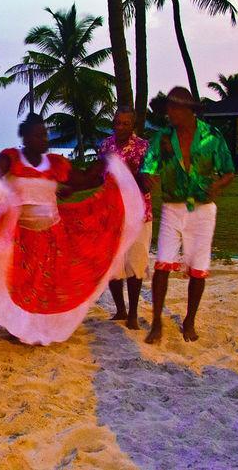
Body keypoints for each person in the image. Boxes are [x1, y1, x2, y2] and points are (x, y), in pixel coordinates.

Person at [0, 113, 145, 345]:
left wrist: (106, 164)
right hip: (20, 236)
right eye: (39, 135)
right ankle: (18, 329)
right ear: (25, 138)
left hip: (51, 235)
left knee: (44, 288)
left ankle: (38, 329)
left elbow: (82, 181)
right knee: (20, 285)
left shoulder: (55, 163)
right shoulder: (12, 158)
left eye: (45, 134)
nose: (44, 139)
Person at [140, 87, 235, 344]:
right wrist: (149, 176)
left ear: (188, 110)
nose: (169, 113)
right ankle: (157, 321)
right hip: (173, 207)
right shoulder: (162, 138)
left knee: (199, 268)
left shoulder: (211, 136)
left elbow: (228, 171)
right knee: (162, 264)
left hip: (203, 211)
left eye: (174, 108)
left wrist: (216, 186)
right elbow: (147, 166)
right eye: (168, 108)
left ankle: (189, 320)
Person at [96, 107, 153, 329]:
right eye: (117, 123)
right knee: (114, 264)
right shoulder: (106, 146)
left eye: (125, 124)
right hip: (112, 213)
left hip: (138, 214)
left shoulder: (144, 148)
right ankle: (120, 309)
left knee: (135, 263)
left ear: (133, 125)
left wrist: (132, 173)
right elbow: (101, 178)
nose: (120, 127)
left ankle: (133, 313)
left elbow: (148, 184)